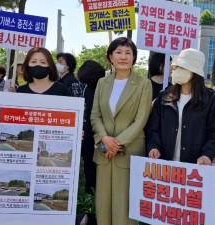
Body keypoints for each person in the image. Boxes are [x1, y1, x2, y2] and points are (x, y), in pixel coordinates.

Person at [91, 37, 152, 225]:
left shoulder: (143, 84)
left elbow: (141, 120)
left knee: (125, 208)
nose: (123, 57)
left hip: (128, 152)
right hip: (104, 153)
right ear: (110, 57)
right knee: (103, 206)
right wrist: (104, 139)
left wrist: (116, 143)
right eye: (118, 52)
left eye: (128, 52)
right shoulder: (102, 83)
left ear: (134, 57)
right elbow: (95, 115)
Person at [146, 48, 215, 164]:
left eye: (181, 67)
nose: (175, 71)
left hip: (195, 167)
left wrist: (207, 154)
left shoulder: (210, 99)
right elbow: (153, 128)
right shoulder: (164, 96)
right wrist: (153, 146)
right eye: (176, 67)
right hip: (163, 164)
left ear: (194, 73)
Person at [76, 60, 106, 194]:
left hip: (104, 133)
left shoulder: (106, 87)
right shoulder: (88, 88)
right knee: (89, 164)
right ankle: (90, 193)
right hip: (89, 132)